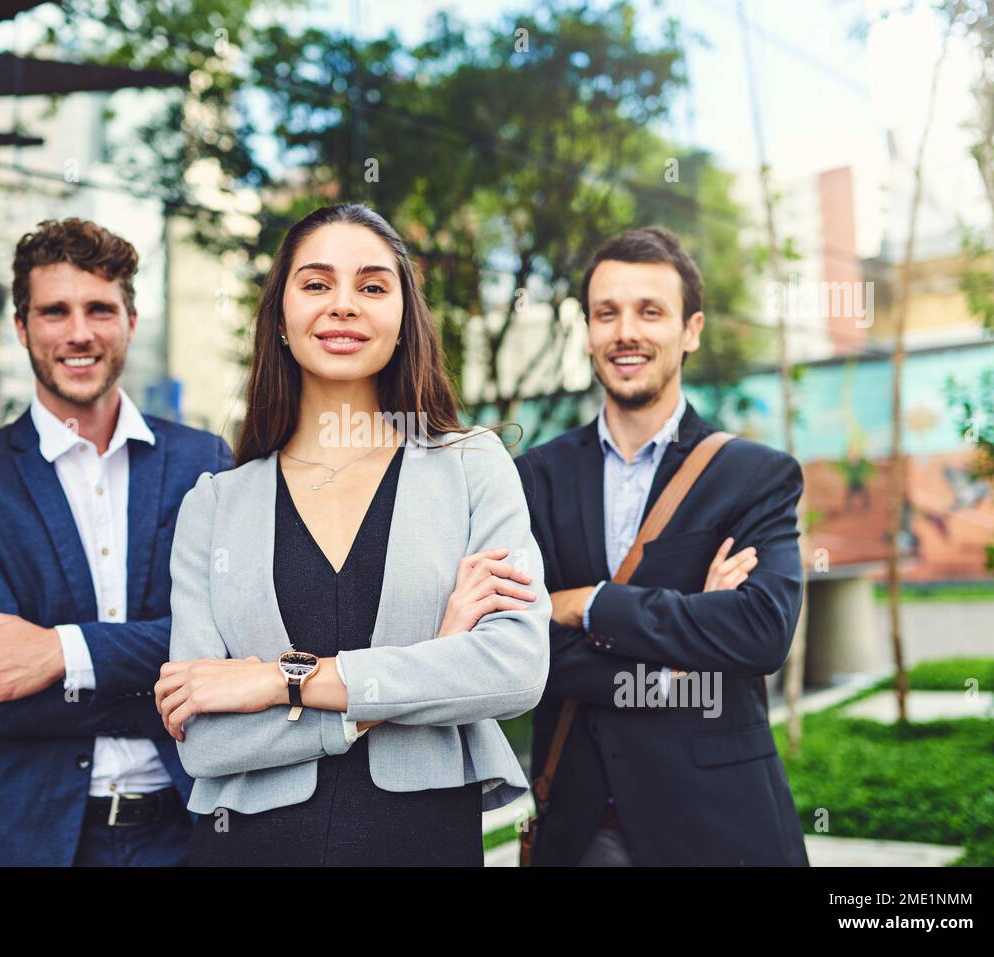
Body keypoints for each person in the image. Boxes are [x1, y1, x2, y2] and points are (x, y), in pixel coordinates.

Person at [154, 203, 550, 866]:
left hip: (421, 844)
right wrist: (431, 663)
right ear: (280, 318)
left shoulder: (470, 466)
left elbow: (513, 670)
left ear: (403, 320)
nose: (343, 305)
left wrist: (282, 680)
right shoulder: (214, 505)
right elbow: (205, 739)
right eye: (315, 284)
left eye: (371, 286)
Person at [0, 218, 232, 866]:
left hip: (186, 833)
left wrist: (59, 649)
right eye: (55, 311)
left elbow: (234, 639)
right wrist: (168, 672)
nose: (79, 332)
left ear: (131, 321)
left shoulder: (207, 461)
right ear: (22, 327)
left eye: (99, 308)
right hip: (16, 835)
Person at [516, 226, 809, 866]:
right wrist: (681, 659)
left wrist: (587, 604)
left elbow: (759, 631)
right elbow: (523, 643)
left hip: (722, 822)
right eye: (607, 313)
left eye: (651, 312)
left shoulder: (753, 475)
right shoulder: (533, 476)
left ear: (691, 330)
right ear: (587, 330)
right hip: (582, 823)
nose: (627, 332)